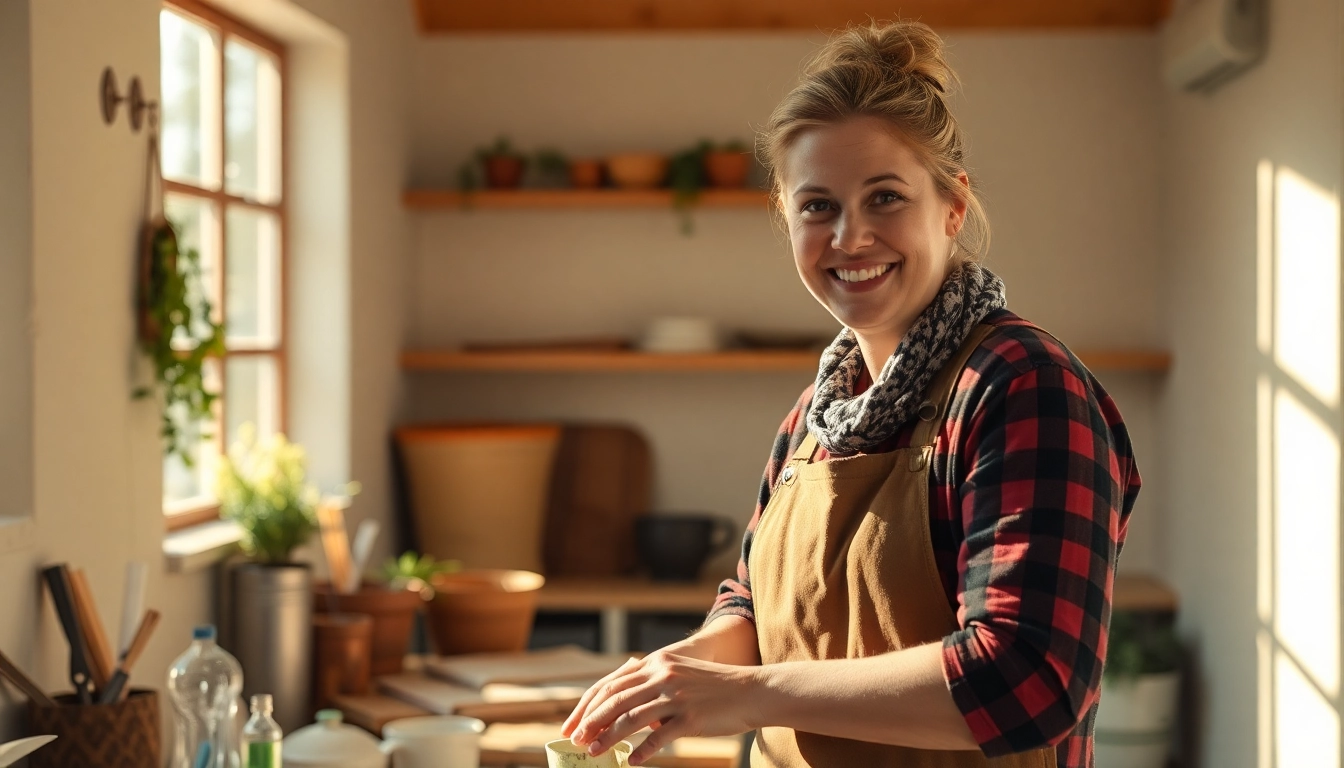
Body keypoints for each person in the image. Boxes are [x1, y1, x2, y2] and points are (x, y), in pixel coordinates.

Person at [562, 19, 1139, 768]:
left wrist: (751, 693)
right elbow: (753, 605)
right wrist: (676, 674)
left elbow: (1029, 681)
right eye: (817, 206)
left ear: (953, 207)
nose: (850, 237)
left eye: (885, 197)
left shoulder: (1021, 386)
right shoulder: (816, 416)